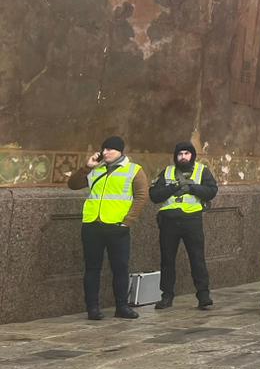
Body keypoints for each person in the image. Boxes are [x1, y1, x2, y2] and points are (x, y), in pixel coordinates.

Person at [69, 133, 146, 320]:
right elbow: (73, 184)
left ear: (120, 151)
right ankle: (92, 308)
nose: (106, 152)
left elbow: (142, 196)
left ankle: (122, 306)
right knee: (92, 268)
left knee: (120, 268)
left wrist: (127, 221)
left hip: (117, 227)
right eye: (104, 149)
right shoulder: (96, 169)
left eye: (110, 149)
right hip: (92, 225)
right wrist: (87, 167)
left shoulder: (134, 170)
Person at [149, 140, 219, 311]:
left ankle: (203, 295)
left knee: (197, 259)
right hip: (169, 221)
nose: (183, 157)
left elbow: (212, 191)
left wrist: (192, 188)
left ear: (192, 156)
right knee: (167, 260)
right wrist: (173, 187)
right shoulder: (167, 172)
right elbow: (154, 195)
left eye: (187, 154)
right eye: (180, 154)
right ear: (176, 156)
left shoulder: (202, 170)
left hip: (192, 220)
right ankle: (166, 296)